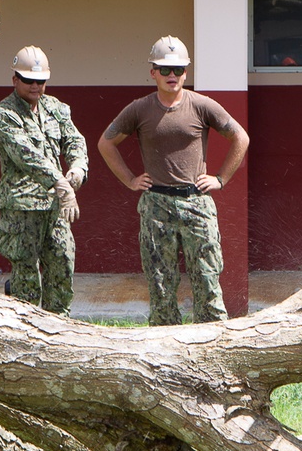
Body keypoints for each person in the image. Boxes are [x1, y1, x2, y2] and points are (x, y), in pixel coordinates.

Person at [97, 35, 249, 326]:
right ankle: (165, 354)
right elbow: (106, 143)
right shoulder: (139, 109)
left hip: (197, 204)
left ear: (186, 73)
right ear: (152, 71)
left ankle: (213, 349)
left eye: (178, 69)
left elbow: (240, 137)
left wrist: (220, 178)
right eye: (164, 69)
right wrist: (130, 179)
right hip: (156, 206)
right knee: (161, 285)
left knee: (207, 283)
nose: (171, 75)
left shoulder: (202, 105)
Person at [0, 45, 88, 316]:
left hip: (55, 206)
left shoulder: (55, 107)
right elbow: (27, 156)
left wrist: (78, 168)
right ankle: (26, 332)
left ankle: (60, 329)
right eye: (29, 80)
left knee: (63, 264)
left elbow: (74, 139)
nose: (35, 86)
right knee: (26, 275)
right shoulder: (5, 114)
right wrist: (60, 182)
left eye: (40, 81)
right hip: (21, 207)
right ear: (15, 80)